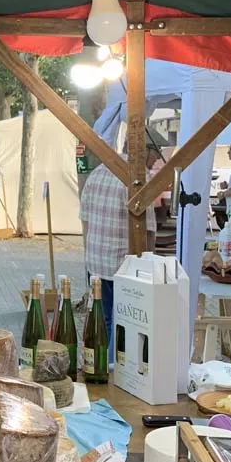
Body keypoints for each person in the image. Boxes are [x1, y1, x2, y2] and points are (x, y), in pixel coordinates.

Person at [79, 148, 157, 363]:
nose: (156, 161)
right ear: (145, 151)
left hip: (95, 261)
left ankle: (98, 365)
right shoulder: (138, 177)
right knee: (122, 321)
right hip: (124, 264)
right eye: (154, 156)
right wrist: (149, 263)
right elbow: (148, 228)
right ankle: (115, 370)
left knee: (102, 319)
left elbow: (84, 219)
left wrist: (88, 254)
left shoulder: (97, 173)